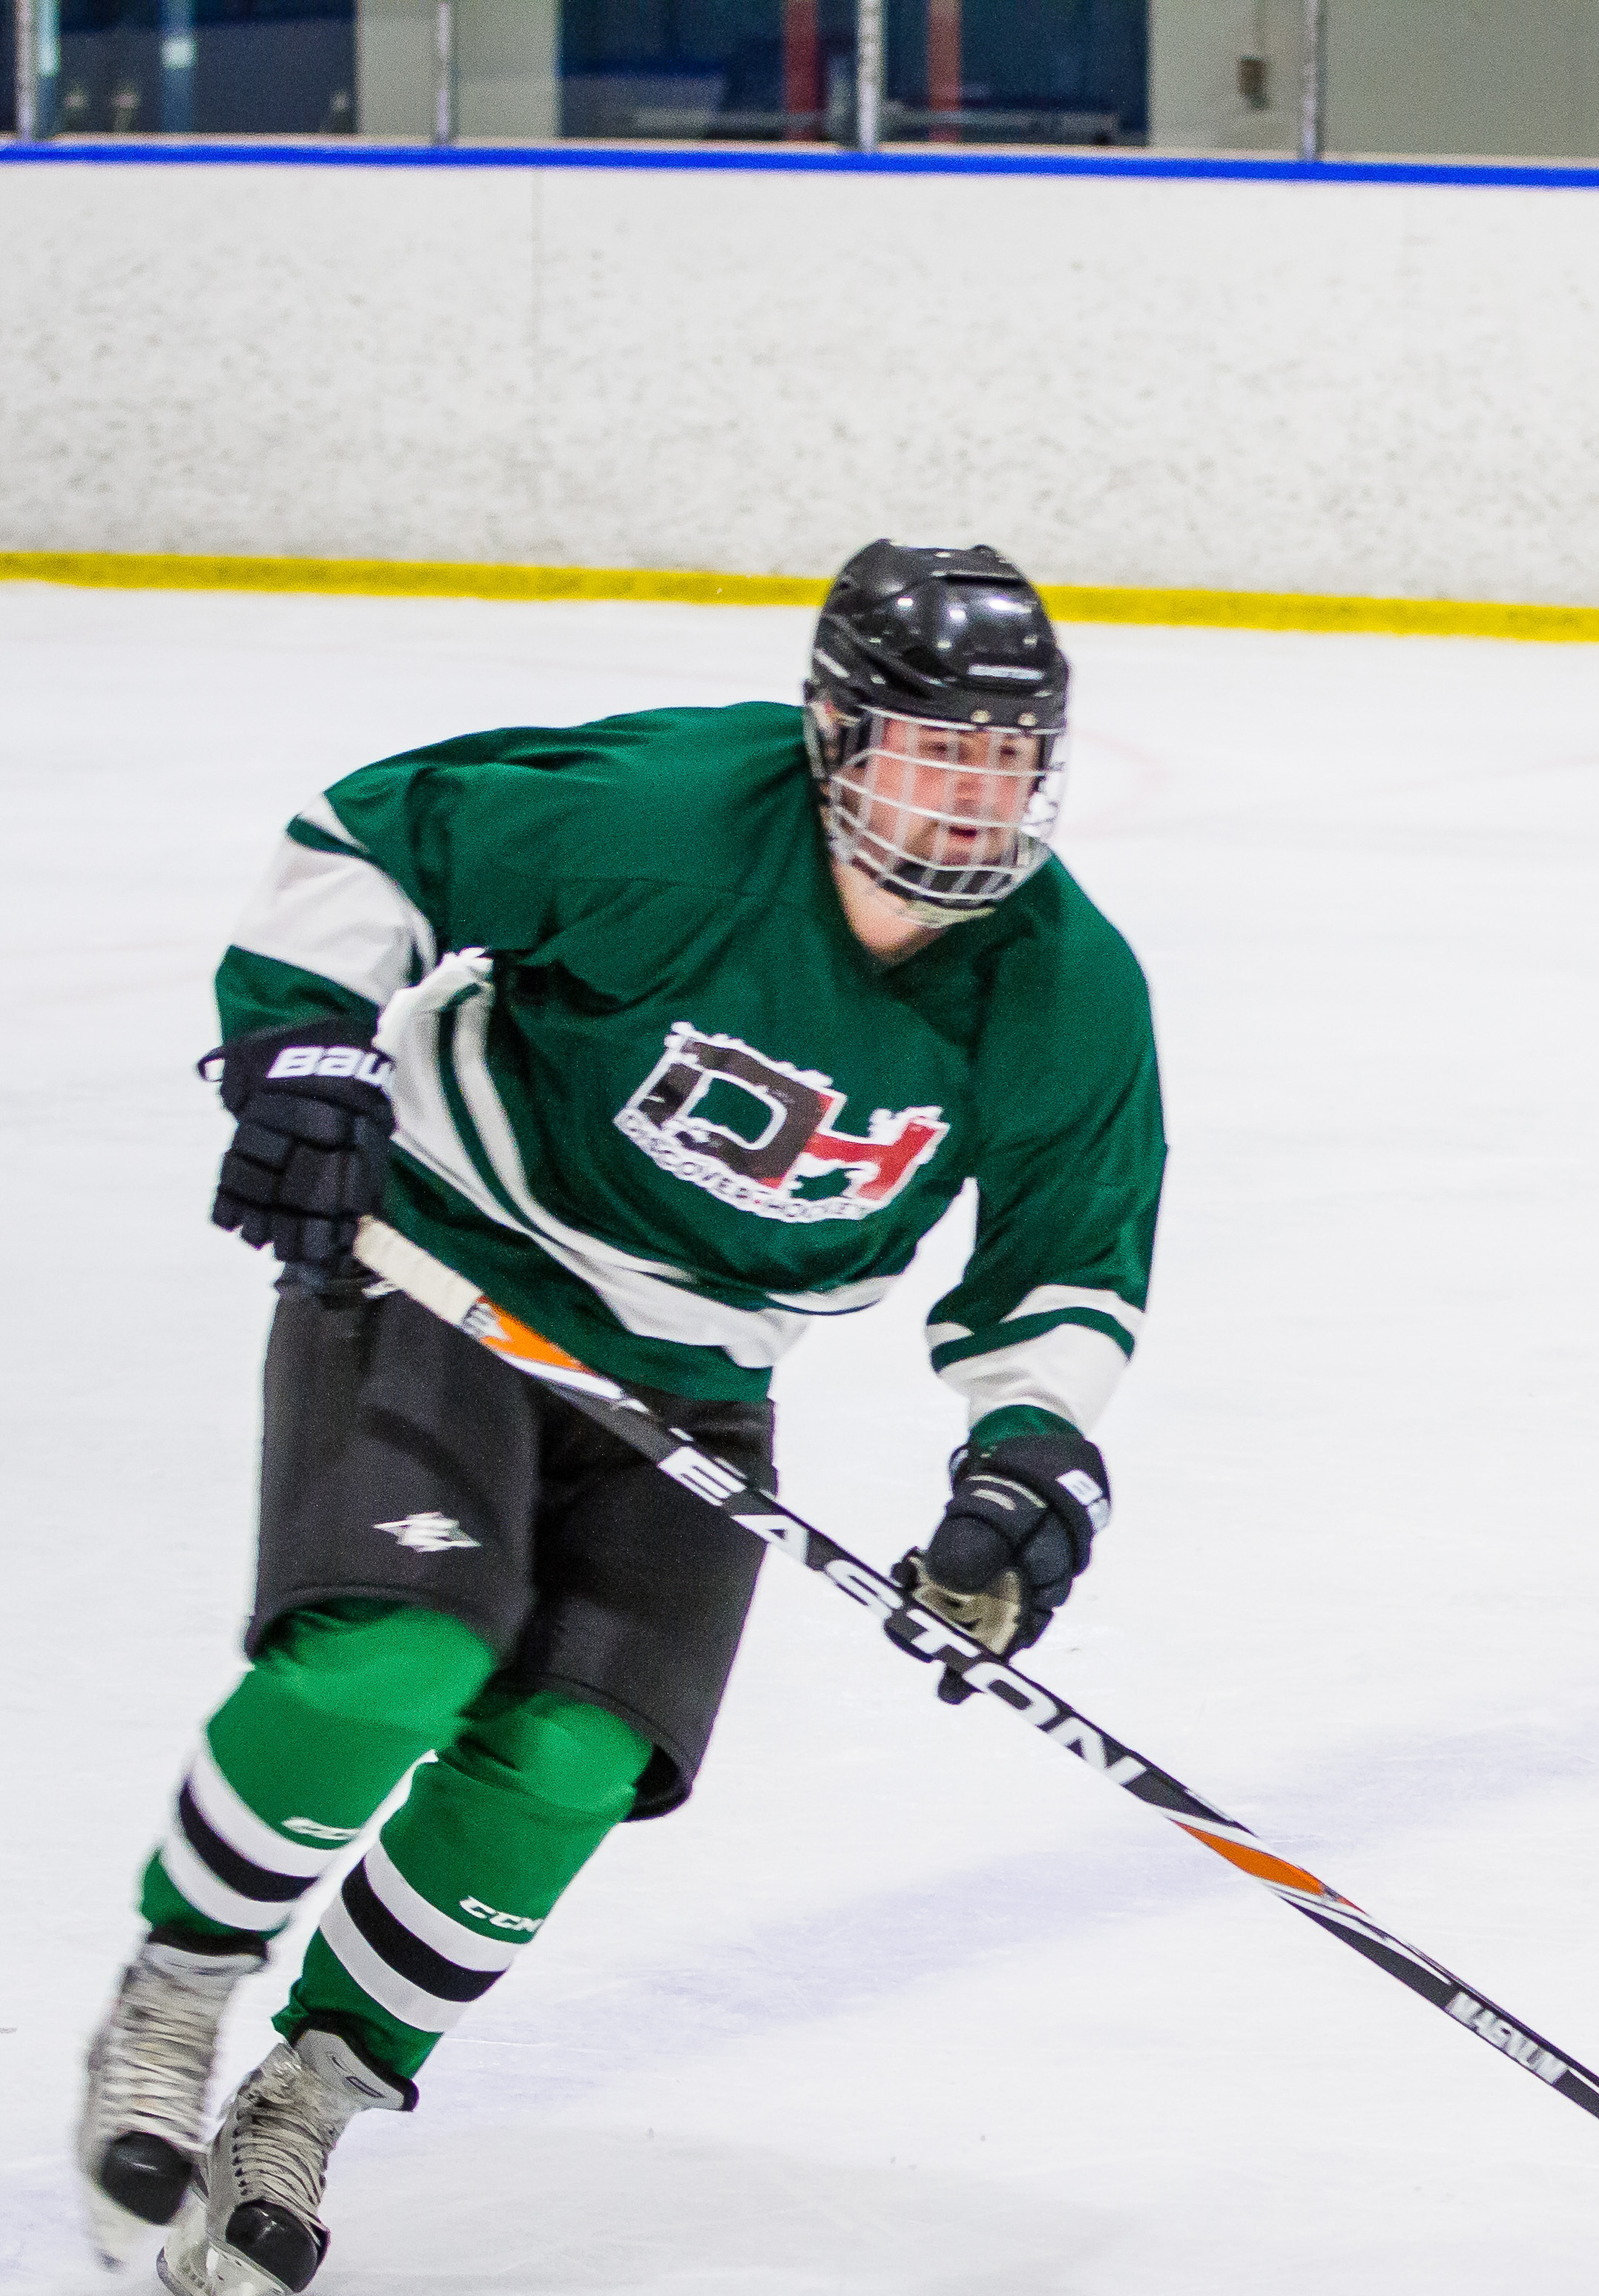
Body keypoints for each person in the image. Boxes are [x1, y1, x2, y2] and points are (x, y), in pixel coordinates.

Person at [74, 541, 1166, 2293]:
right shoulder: (669, 816)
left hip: (699, 1376)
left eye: (1004, 758)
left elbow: (1067, 1256)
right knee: (391, 1659)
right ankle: (177, 1991)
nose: (968, 799)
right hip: (448, 1264)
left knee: (575, 1762)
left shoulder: (1064, 987)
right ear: (833, 736)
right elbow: (378, 835)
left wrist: (1026, 1457)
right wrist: (305, 1050)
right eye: (931, 749)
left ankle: (311, 2095)